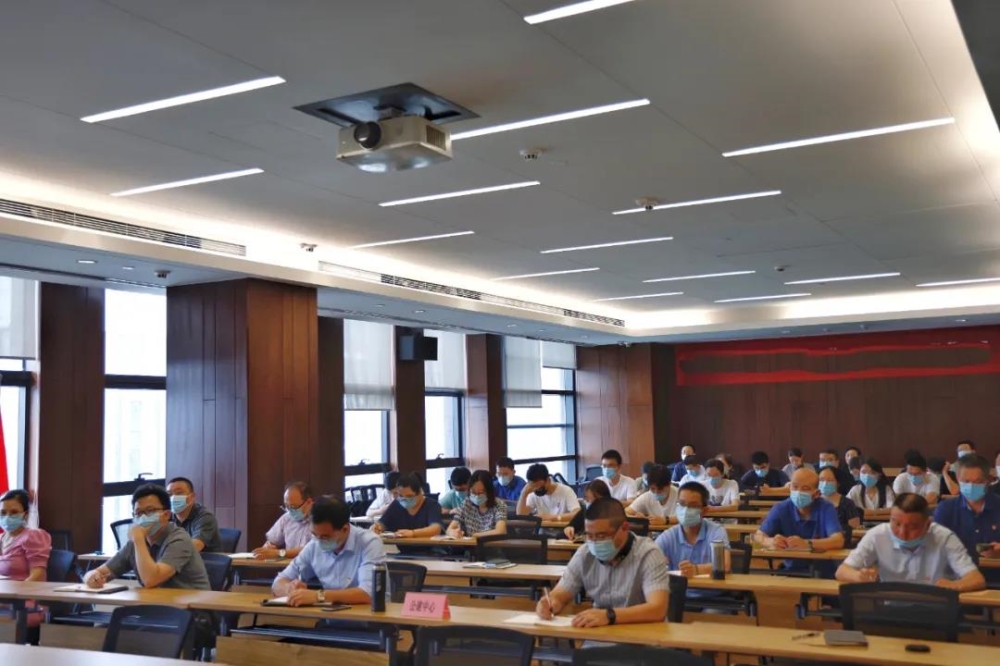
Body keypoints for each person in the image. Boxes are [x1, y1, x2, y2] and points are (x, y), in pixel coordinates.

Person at [536, 498, 670, 627]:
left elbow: (657, 609)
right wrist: (551, 602)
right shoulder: (585, 554)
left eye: (602, 536)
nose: (595, 542)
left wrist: (609, 616)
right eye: (589, 535)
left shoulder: (649, 554)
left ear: (625, 528)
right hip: (599, 634)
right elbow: (561, 593)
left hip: (643, 636)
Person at [836, 493, 985, 592]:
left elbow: (976, 579)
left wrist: (954, 586)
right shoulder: (877, 535)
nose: (902, 533)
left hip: (937, 609)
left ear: (927, 525)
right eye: (896, 523)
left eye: (912, 527)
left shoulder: (944, 537)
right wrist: (859, 577)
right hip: (891, 609)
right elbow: (842, 571)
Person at [85, 484, 210, 590]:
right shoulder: (135, 542)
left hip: (193, 608)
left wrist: (139, 539)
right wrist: (91, 576)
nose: (143, 517)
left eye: (150, 511)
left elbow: (151, 580)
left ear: (166, 515)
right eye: (138, 513)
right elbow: (101, 571)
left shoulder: (179, 539)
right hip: (158, 606)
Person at [272, 497, 387, 607]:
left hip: (369, 617)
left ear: (345, 529)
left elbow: (369, 593)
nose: (319, 541)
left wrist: (319, 596)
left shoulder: (369, 543)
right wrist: (289, 588)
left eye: (325, 537)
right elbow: (278, 583)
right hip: (330, 616)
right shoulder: (314, 545)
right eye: (314, 535)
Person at [754, 468, 845, 576]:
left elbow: (838, 541)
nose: (798, 492)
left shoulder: (826, 508)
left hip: (823, 572)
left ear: (816, 493)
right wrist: (770, 541)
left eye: (805, 488)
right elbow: (758, 536)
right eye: (795, 487)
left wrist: (807, 544)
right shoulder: (781, 508)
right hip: (791, 570)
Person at [933, 454, 1000, 582]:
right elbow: (936, 547)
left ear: (988, 481)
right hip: (958, 578)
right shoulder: (945, 509)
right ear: (958, 479)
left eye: (978, 482)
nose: (971, 486)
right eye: (966, 481)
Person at [655, 482, 730, 585]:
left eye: (693, 506)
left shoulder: (716, 531)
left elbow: (725, 565)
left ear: (705, 510)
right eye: (682, 504)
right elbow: (650, 560)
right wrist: (658, 562)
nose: (686, 510)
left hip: (712, 592)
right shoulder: (669, 535)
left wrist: (696, 570)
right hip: (679, 593)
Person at [254, 481, 315, 560]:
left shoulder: (320, 519)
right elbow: (272, 541)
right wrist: (268, 548)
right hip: (290, 566)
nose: (290, 511)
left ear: (309, 502)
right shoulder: (286, 518)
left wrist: (279, 553)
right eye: (287, 507)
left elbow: (311, 550)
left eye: (293, 507)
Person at [0, 489, 51, 582]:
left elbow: (39, 576)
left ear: (25, 514)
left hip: (22, 590)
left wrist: (21, 591)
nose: (7, 517)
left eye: (14, 512)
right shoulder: (1, 538)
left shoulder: (33, 536)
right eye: (3, 513)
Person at [372, 472, 443, 538]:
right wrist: (377, 527)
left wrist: (413, 533)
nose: (404, 499)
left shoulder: (432, 505)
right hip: (402, 547)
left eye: (409, 496)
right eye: (401, 496)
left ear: (420, 493)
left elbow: (436, 529)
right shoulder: (397, 504)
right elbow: (382, 523)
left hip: (428, 547)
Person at [166, 477, 221, 553]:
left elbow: (195, 546)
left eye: (179, 493)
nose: (173, 498)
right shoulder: (167, 516)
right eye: (169, 494)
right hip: (177, 558)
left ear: (192, 497)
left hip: (205, 559)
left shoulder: (205, 517)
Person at [447, 470, 507, 538]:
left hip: (491, 543)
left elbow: (501, 530)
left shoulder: (499, 505)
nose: (476, 496)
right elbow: (449, 529)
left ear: (489, 491)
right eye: (473, 492)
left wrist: (475, 535)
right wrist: (453, 533)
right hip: (470, 543)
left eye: (480, 492)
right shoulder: (467, 503)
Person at [517, 463, 582, 521]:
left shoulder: (566, 491)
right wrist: (523, 494)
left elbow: (577, 514)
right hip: (542, 529)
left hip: (563, 529)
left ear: (548, 480)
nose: (537, 489)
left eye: (540, 486)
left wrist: (552, 518)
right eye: (534, 486)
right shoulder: (533, 493)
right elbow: (521, 515)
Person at [818, 466, 861, 535]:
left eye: (830, 480)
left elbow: (855, 530)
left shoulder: (847, 503)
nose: (825, 483)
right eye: (821, 480)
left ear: (838, 483)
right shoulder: (813, 502)